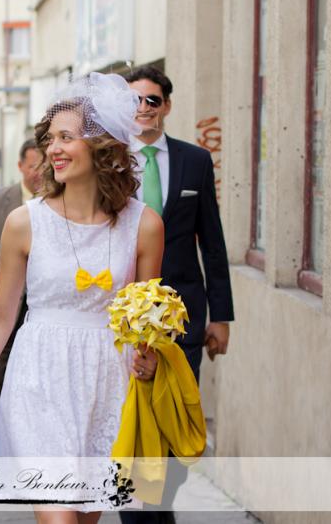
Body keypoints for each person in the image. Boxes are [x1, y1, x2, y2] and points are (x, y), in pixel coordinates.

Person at [0, 72, 165, 523]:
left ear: (101, 144)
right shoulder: (24, 223)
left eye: (66, 137)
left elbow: (147, 324)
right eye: (50, 139)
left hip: (109, 384)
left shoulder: (144, 226)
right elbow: (2, 318)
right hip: (39, 382)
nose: (53, 149)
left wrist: (150, 356)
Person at [119, 65, 235, 524]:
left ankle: (160, 505)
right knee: (133, 426)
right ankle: (141, 512)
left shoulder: (195, 160)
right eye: (134, 100)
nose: (143, 109)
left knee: (175, 422)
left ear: (166, 106)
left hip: (183, 317)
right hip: (123, 319)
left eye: (152, 100)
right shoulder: (107, 159)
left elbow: (214, 239)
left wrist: (221, 315)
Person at [0, 139, 42, 414]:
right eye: (33, 166)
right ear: (20, 166)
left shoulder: (60, 203)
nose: (39, 171)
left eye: (44, 165)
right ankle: (4, 410)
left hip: (40, 305)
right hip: (6, 302)